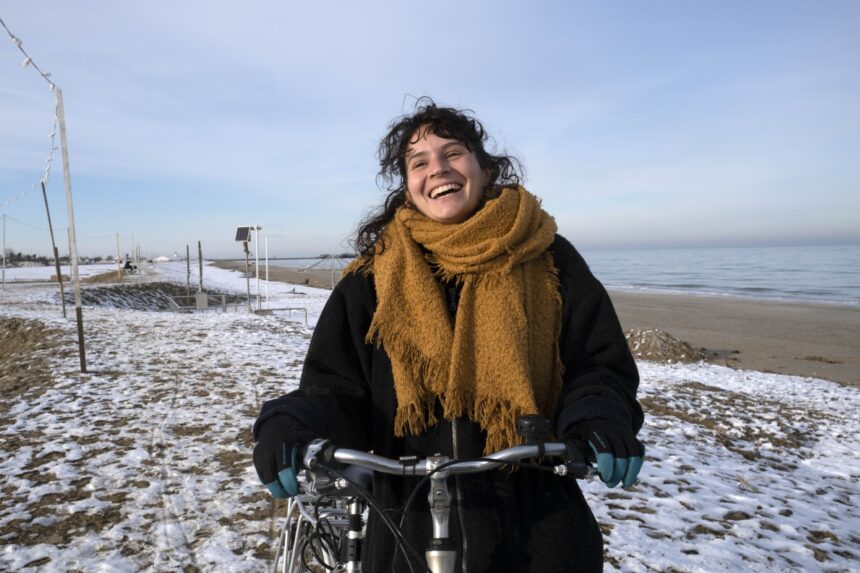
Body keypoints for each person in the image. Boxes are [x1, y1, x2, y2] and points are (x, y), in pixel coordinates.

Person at [253, 99, 644, 572]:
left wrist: (598, 417)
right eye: (419, 162)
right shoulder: (372, 278)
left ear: (483, 167)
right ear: (408, 186)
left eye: (453, 153)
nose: (437, 168)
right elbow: (336, 386)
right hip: (405, 522)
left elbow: (599, 365)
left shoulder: (550, 258)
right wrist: (292, 423)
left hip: (536, 517)